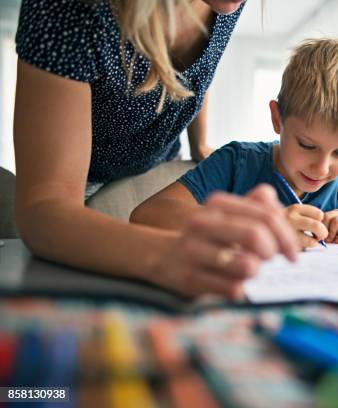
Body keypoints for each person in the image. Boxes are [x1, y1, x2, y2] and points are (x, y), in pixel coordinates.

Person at [13, 0, 299, 300]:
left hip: (156, 159)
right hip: (80, 182)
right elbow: (44, 207)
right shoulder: (68, 9)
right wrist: (165, 257)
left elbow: (201, 69)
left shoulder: (226, 6)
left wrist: (199, 141)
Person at [130, 38, 338, 248]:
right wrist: (256, 225)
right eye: (308, 146)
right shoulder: (238, 162)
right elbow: (149, 214)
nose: (323, 167)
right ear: (277, 119)